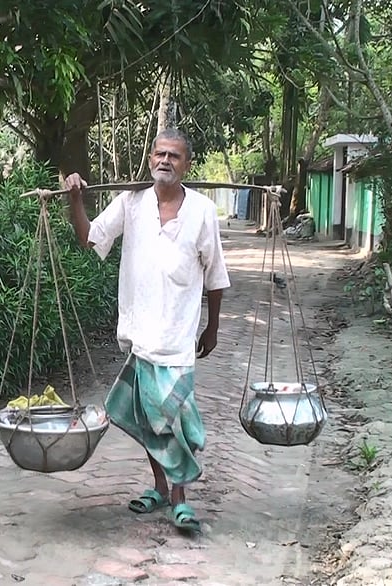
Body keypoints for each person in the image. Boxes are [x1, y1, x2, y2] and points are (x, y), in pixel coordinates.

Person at [63, 127, 231, 534]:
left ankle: (181, 499)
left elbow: (215, 275)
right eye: (159, 154)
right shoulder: (131, 202)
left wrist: (212, 327)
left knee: (171, 420)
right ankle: (160, 486)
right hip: (140, 336)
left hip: (177, 339)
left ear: (186, 165)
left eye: (174, 156)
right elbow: (89, 238)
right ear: (150, 159)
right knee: (147, 419)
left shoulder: (203, 211)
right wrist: (74, 200)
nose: (164, 161)